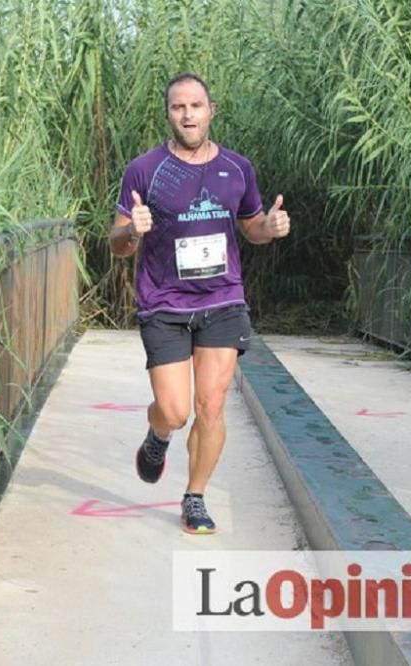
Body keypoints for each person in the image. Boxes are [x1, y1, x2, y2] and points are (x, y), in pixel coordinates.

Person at [108, 72, 291, 534]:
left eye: (195, 106)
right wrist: (132, 231)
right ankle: (158, 435)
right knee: (174, 409)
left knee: (211, 405)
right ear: (168, 114)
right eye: (177, 107)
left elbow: (250, 227)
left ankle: (195, 496)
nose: (187, 114)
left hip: (223, 300)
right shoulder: (144, 170)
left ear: (211, 111)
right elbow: (117, 242)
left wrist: (267, 229)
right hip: (164, 303)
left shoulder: (237, 168)